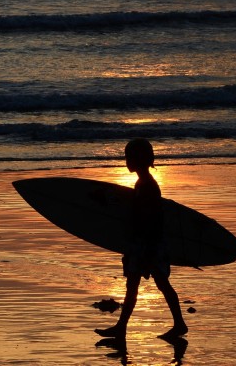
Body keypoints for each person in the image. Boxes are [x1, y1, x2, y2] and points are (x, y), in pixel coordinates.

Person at [96, 139, 187, 341]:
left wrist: (143, 250)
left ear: (139, 159)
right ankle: (122, 327)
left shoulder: (147, 186)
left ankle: (179, 324)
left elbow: (149, 219)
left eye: (129, 157)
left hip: (148, 244)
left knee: (160, 284)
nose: (126, 161)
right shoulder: (143, 183)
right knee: (137, 286)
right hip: (145, 243)